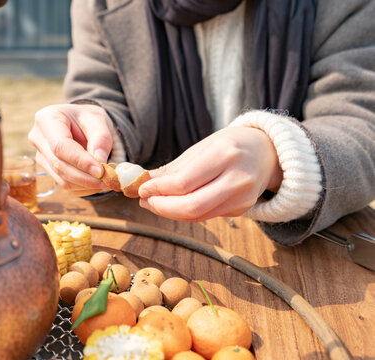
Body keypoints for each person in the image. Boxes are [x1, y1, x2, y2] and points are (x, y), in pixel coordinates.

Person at [28, 0, 375, 245]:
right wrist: (92, 130)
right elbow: (101, 89)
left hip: (304, 254)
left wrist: (277, 156)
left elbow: (361, 123)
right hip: (154, 240)